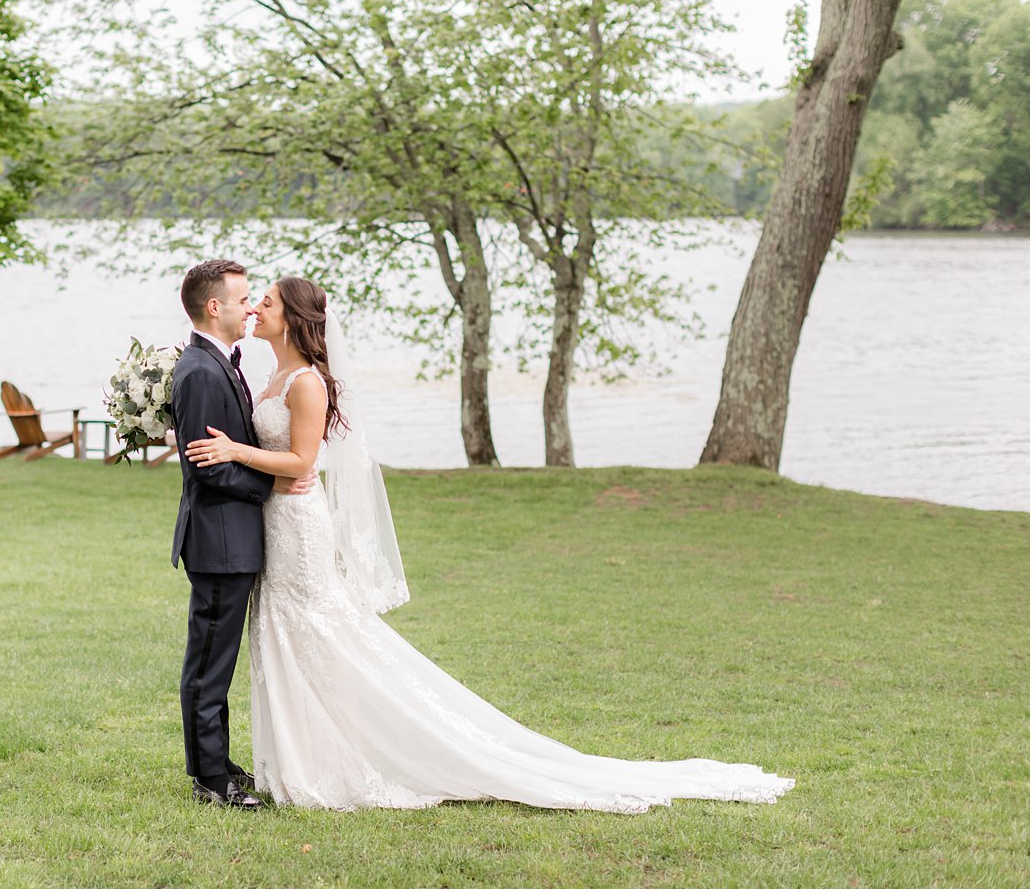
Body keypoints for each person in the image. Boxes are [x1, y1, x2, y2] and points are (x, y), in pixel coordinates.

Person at [185, 276, 796, 812]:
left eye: (263, 301)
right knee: (287, 636)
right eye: (250, 300)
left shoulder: (308, 384)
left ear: (292, 317)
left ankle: (357, 754)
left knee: (318, 634)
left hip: (298, 526)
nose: (254, 308)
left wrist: (238, 452)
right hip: (275, 526)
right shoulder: (267, 374)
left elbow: (301, 461)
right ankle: (303, 756)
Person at [169, 259, 311, 810]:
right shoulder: (202, 370)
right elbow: (208, 466)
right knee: (209, 664)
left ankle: (218, 763)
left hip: (232, 539)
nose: (250, 307)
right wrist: (270, 487)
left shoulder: (219, 362)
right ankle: (211, 780)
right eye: (243, 298)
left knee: (217, 659)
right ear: (214, 307)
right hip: (219, 541)